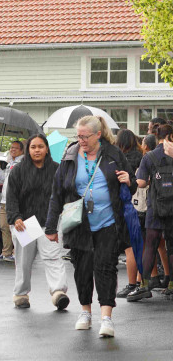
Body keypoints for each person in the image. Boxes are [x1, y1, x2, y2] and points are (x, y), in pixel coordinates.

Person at [45, 116, 136, 337]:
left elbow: (130, 185)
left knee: (106, 267)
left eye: (85, 136)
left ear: (97, 134)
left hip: (108, 222)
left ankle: (107, 317)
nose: (81, 140)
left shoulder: (114, 154)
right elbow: (57, 192)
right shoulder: (69, 155)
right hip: (79, 223)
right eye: (78, 136)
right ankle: (85, 311)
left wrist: (128, 180)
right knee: (82, 269)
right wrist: (50, 226)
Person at [7, 134, 69, 310]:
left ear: (47, 148)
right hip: (26, 223)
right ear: (28, 150)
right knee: (24, 262)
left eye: (40, 146)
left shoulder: (57, 170)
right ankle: (21, 294)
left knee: (53, 258)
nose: (37, 150)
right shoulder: (18, 171)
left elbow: (64, 194)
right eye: (33, 147)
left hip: (50, 223)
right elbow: (11, 198)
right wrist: (16, 217)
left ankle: (58, 293)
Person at [131, 124, 173, 300]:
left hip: (155, 208)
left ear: (157, 137)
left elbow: (140, 181)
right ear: (170, 136)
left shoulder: (149, 157)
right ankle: (171, 284)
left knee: (150, 245)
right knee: (172, 247)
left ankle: (144, 285)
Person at [115, 129, 143, 297]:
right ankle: (141, 282)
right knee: (142, 246)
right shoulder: (142, 157)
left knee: (129, 246)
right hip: (145, 206)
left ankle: (132, 283)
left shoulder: (120, 160)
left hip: (128, 206)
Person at [0, 140, 24, 262]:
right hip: (4, 200)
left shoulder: (22, 163)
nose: (12, 150)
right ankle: (6, 253)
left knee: (16, 228)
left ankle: (19, 253)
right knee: (4, 227)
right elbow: (4, 179)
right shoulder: (10, 163)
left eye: (15, 148)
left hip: (15, 201)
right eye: (11, 148)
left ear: (21, 150)